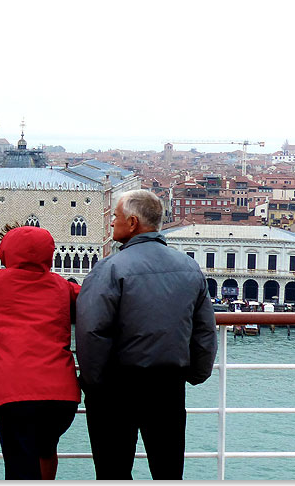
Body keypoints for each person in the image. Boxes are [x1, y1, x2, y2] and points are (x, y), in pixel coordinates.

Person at [75, 189, 217, 480]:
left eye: (114, 217)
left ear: (132, 223)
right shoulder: (189, 267)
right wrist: (196, 373)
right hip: (169, 384)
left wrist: (94, 385)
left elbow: (91, 331)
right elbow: (204, 331)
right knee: (168, 471)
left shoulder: (109, 268)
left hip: (116, 387)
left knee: (112, 472)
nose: (110, 223)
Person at [0, 224, 81, 480]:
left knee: (19, 467)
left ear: (5, 253)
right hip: (61, 398)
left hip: (15, 396)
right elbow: (86, 299)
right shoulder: (61, 285)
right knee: (46, 450)